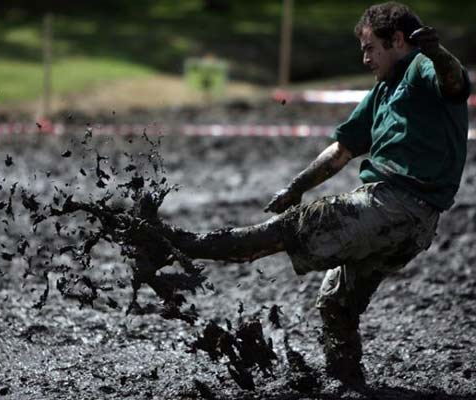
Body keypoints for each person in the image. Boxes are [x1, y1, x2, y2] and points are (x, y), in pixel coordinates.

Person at [162, 1, 471, 386]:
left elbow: (455, 83)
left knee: (294, 227)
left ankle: (182, 245)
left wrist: (437, 51)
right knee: (335, 302)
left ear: (396, 40)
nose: (364, 58)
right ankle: (348, 383)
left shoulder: (424, 66)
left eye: (370, 48)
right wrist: (296, 186)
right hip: (411, 225)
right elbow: (341, 149)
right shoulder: (384, 90)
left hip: (396, 204)